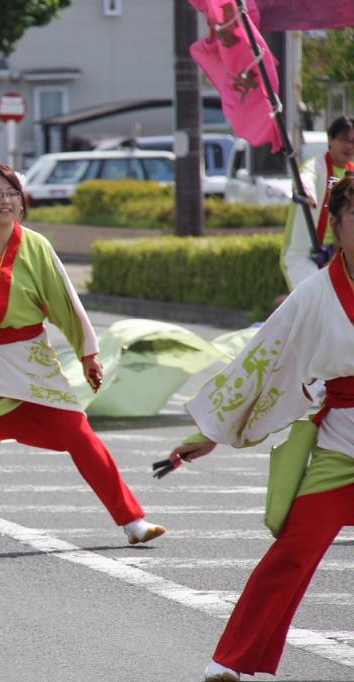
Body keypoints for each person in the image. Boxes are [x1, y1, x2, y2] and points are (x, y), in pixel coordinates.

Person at [0, 164, 165, 545]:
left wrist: (87, 353)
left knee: (81, 435)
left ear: (22, 201)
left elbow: (65, 300)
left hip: (33, 363)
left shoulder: (37, 246)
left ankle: (132, 520)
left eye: (11, 193)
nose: (4, 200)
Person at [172, 175, 354, 682]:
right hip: (342, 447)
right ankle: (232, 659)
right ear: (336, 227)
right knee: (293, 551)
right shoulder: (315, 294)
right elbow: (261, 359)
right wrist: (211, 431)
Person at [281, 115, 354, 291]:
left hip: (335, 256)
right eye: (344, 139)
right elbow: (305, 178)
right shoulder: (316, 166)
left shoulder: (351, 174)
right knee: (315, 303)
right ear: (330, 139)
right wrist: (305, 191)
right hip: (303, 256)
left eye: (353, 142)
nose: (349, 146)